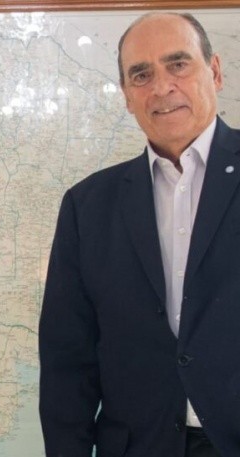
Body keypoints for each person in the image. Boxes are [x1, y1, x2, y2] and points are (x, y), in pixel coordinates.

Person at [39, 12, 240, 457]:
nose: (162, 87)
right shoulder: (86, 206)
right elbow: (67, 362)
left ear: (216, 71)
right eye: (142, 74)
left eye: (179, 64)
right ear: (128, 96)